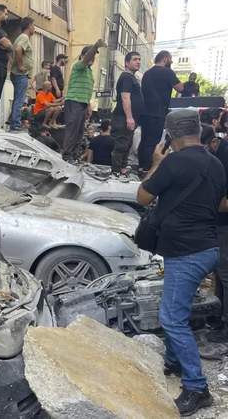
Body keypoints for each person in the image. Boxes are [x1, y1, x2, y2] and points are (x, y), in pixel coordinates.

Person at [137, 109, 225, 417]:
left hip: (186, 252)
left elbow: (142, 197)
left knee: (172, 318)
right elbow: (220, 203)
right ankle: (174, 361)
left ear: (170, 135)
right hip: (206, 247)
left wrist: (156, 162)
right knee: (177, 308)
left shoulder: (172, 162)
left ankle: (197, 388)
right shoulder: (215, 163)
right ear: (199, 131)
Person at [201, 124, 228, 344]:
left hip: (223, 225)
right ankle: (217, 318)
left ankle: (224, 326)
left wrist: (204, 203)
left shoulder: (224, 156)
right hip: (216, 224)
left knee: (225, 274)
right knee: (219, 274)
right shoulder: (217, 153)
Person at [62, 40, 106, 163]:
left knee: (80, 132)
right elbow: (86, 59)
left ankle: (75, 156)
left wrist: (88, 105)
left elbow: (87, 91)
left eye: (94, 56)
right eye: (91, 55)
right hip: (74, 101)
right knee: (72, 130)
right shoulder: (78, 66)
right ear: (83, 56)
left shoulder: (89, 72)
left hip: (83, 103)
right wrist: (95, 46)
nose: (93, 58)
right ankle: (67, 156)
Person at [140, 50, 184, 171]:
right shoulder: (168, 72)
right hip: (158, 113)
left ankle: (141, 166)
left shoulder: (147, 73)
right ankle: (148, 168)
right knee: (153, 142)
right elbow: (180, 88)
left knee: (144, 140)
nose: (172, 61)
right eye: (170, 59)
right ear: (165, 59)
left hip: (145, 113)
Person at [111, 51, 144, 175]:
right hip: (123, 117)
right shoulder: (126, 77)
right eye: (135, 59)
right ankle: (116, 171)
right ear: (126, 63)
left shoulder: (131, 78)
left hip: (128, 118)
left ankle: (122, 168)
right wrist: (129, 118)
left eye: (139, 59)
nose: (138, 62)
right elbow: (125, 97)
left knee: (127, 144)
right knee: (121, 145)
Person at [10, 17, 35, 131]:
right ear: (29, 26)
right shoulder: (24, 37)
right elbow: (18, 49)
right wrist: (20, 65)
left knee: (17, 99)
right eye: (33, 26)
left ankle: (14, 122)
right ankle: (15, 124)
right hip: (20, 75)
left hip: (18, 74)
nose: (34, 28)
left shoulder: (21, 37)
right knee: (19, 100)